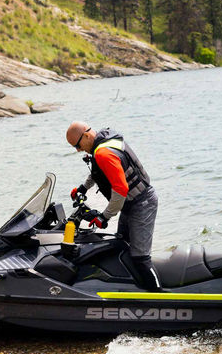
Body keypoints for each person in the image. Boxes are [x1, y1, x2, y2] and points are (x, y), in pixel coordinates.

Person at [65, 121, 162, 291]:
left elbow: (121, 190)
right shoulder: (102, 144)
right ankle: (133, 290)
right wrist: (83, 188)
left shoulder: (103, 153)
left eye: (77, 146)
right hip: (131, 204)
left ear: (86, 135)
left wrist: (104, 217)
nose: (78, 150)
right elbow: (99, 170)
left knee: (140, 257)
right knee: (121, 245)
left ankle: (159, 296)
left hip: (142, 203)